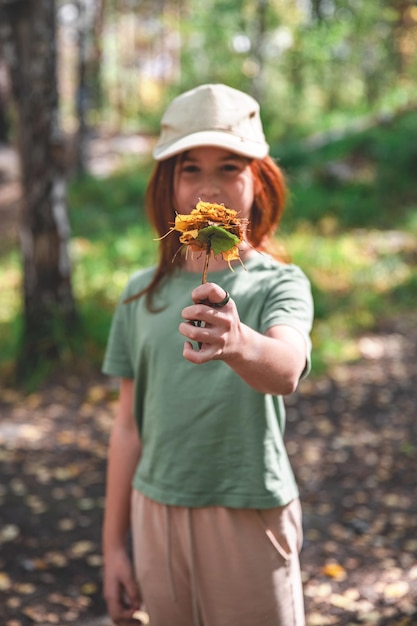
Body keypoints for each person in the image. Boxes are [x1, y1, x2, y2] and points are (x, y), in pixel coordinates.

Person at [102, 83, 314, 626]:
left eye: (229, 167)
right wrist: (113, 547)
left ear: (258, 180)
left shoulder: (279, 283)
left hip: (247, 510)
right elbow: (127, 426)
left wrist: (238, 342)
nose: (209, 188)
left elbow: (286, 369)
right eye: (189, 168)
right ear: (167, 184)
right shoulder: (138, 293)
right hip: (156, 510)